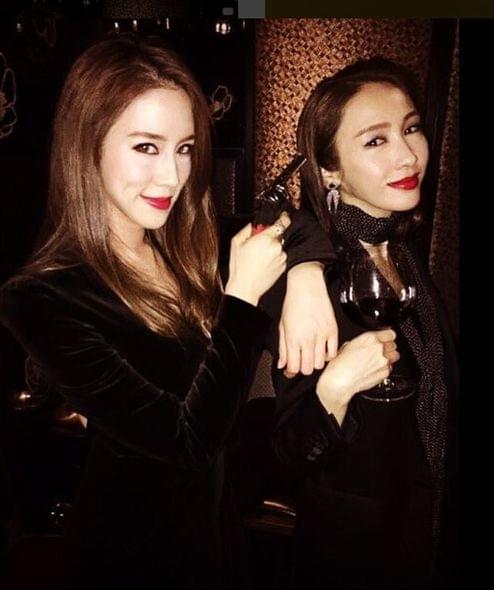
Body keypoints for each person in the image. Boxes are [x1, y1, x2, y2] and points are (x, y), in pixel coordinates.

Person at [0, 35, 337, 587]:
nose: (173, 177)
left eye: (184, 148)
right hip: (132, 556)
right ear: (87, 146)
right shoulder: (42, 297)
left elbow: (294, 226)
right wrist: (242, 299)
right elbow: (188, 443)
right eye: (146, 147)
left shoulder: (188, 243)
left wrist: (306, 276)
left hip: (217, 537)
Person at [264, 57, 458, 589]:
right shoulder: (307, 281)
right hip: (357, 556)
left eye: (411, 128)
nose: (407, 154)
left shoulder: (401, 250)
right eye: (375, 140)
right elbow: (286, 453)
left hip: (425, 532)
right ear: (330, 169)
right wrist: (336, 388)